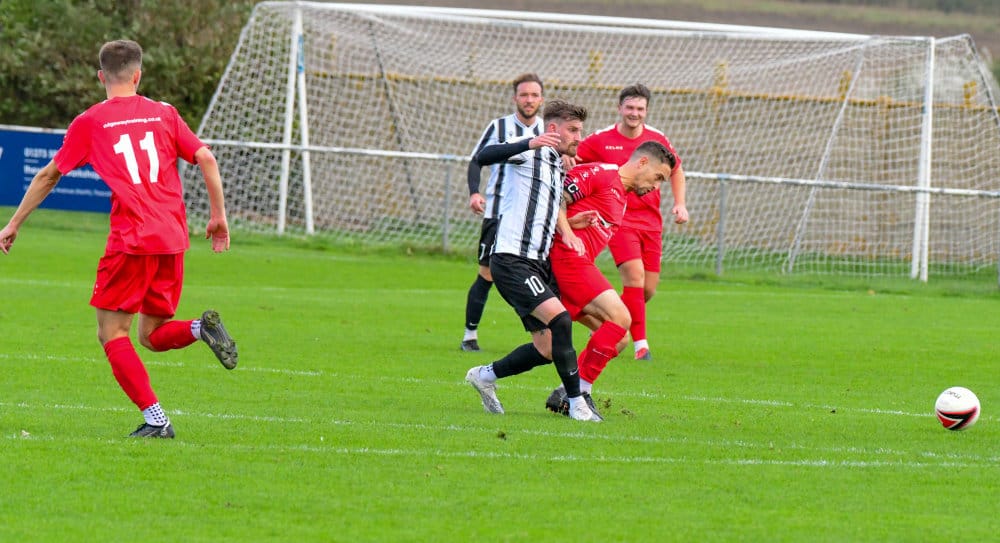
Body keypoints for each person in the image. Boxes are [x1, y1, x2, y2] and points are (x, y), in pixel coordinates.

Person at [0, 40, 238, 439]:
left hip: (132, 239)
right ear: (138, 75)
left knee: (112, 333)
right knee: (151, 335)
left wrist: (13, 223)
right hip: (172, 238)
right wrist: (218, 217)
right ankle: (200, 328)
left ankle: (157, 421)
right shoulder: (164, 113)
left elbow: (48, 176)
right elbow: (206, 158)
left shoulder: (91, 121)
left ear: (101, 77)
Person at [463, 99, 601, 422]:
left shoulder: (556, 163)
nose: (579, 137)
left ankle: (484, 376)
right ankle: (576, 402)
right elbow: (483, 156)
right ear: (553, 129)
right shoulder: (529, 150)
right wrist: (529, 142)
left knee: (547, 348)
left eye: (580, 130)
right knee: (562, 319)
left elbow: (542, 208)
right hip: (512, 258)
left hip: (539, 262)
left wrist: (570, 226)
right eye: (573, 130)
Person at [544, 141, 676, 419]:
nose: (656, 187)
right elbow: (555, 199)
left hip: (578, 265)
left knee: (620, 339)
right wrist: (568, 233)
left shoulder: (622, 198)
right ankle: (580, 394)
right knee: (621, 317)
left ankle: (562, 391)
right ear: (642, 163)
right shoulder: (602, 173)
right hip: (567, 260)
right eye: (657, 177)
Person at [573, 83, 689, 360]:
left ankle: (606, 320)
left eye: (640, 108)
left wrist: (680, 203)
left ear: (646, 111)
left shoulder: (657, 139)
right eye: (629, 108)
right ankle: (641, 346)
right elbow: (575, 158)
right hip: (619, 219)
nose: (634, 113)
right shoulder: (601, 139)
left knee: (647, 288)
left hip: (651, 222)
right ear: (619, 108)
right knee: (635, 277)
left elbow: (676, 170)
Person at [461, 73, 545, 352]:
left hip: (533, 219)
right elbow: (477, 160)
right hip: (498, 214)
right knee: (487, 274)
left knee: (537, 274)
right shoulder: (499, 127)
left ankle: (544, 334)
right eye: (524, 95)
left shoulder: (547, 130)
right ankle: (469, 335)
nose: (529, 100)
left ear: (541, 99)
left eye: (534, 95)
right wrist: (474, 192)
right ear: (515, 98)